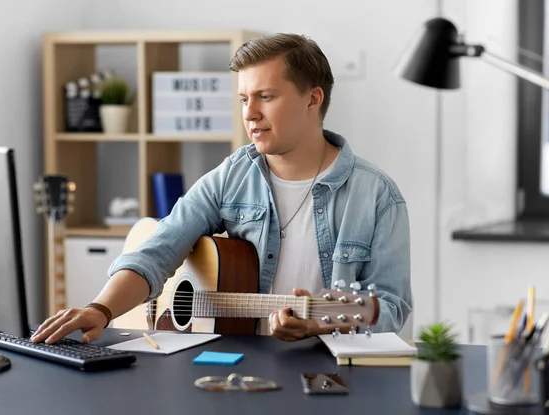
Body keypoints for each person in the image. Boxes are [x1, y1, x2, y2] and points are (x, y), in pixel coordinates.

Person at [32, 33, 412, 345]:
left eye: (266, 96)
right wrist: (100, 309)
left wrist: (321, 322)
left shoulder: (378, 196)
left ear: (313, 98)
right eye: (244, 99)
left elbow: (391, 308)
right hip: (239, 367)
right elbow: (156, 251)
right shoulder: (232, 175)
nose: (249, 114)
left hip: (333, 375)